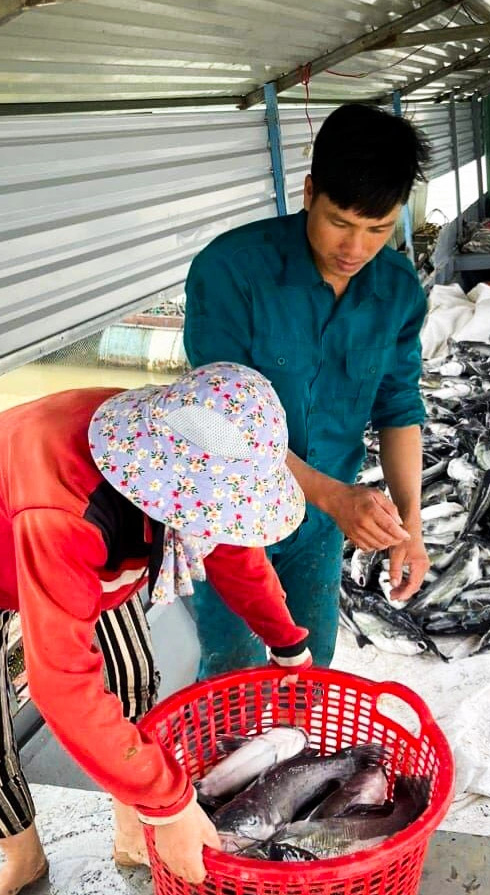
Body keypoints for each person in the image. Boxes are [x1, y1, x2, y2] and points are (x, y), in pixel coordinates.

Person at [0, 363, 310, 895]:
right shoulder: (70, 508)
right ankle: (23, 861)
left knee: (135, 678)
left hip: (87, 551)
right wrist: (171, 805)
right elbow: (61, 681)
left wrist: (286, 640)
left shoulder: (177, 451)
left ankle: (129, 828)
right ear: (167, 486)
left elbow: (231, 549)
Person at [183, 103, 431, 676]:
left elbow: (399, 409)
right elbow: (219, 425)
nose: (356, 247)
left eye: (377, 228)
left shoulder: (396, 290)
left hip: (317, 527)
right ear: (309, 190)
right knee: (234, 668)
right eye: (340, 222)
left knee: (308, 664)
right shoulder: (230, 271)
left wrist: (409, 528)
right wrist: (334, 497)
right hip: (229, 518)